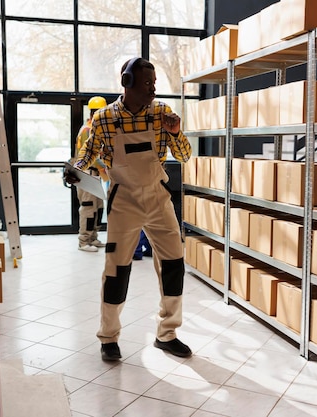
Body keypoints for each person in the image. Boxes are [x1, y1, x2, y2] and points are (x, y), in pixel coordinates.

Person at [65, 57, 193, 361]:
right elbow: (86, 155)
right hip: (124, 201)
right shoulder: (104, 119)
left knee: (174, 265)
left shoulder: (162, 112)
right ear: (127, 83)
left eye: (154, 83)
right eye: (148, 83)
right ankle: (108, 337)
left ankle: (168, 333)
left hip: (159, 198)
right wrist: (75, 169)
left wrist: (175, 133)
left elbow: (185, 156)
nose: (153, 88)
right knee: (116, 270)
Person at [73, 96, 109, 252]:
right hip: (86, 173)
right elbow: (91, 156)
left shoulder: (95, 129)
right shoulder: (87, 130)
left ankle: (93, 237)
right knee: (88, 207)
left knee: (98, 206)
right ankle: (84, 240)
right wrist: (106, 168)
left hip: (95, 174)